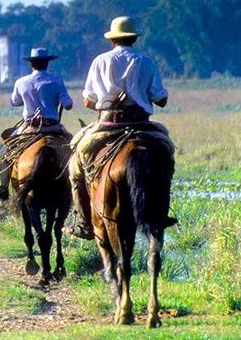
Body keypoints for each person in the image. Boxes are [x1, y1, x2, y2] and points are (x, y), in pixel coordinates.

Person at [66, 16, 176, 239]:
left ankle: (84, 222)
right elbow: (161, 99)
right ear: (134, 38)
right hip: (141, 123)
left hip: (108, 123)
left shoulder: (100, 61)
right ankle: (160, 214)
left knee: (76, 166)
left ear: (112, 40)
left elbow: (88, 100)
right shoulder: (146, 61)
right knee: (167, 153)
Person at [0, 47, 73, 201]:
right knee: (75, 147)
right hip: (53, 127)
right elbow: (68, 104)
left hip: (28, 128)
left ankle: (3, 188)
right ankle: (75, 184)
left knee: (4, 151)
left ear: (31, 64)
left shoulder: (21, 82)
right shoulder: (56, 80)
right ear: (47, 63)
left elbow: (14, 102)